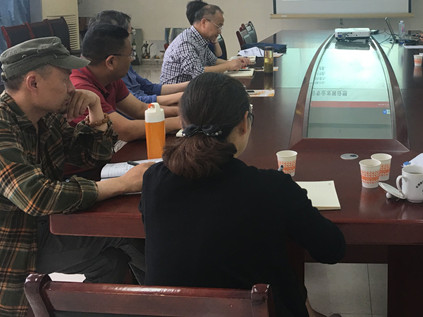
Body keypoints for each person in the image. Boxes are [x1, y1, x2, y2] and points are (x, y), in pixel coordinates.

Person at [140, 73, 346, 317]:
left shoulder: (153, 180)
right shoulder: (272, 188)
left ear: (183, 123)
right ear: (243, 123)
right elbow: (331, 249)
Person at [0, 38, 151, 316]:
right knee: (126, 236)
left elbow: (90, 157)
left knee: (111, 261)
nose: (72, 88)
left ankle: (148, 303)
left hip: (41, 228)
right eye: (64, 79)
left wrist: (96, 110)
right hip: (12, 247)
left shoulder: (44, 117)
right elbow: (38, 197)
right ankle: (170, 303)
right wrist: (123, 184)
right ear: (33, 82)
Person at [71, 24, 182, 141]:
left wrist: (182, 111)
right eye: (130, 55)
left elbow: (140, 109)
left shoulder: (110, 78)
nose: (132, 59)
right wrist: (179, 122)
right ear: (111, 62)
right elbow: (125, 130)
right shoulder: (81, 88)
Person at [89, 10, 189, 111]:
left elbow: (148, 89)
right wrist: (184, 99)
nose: (131, 38)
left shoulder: (121, 64)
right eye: (130, 33)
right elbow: (138, 105)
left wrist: (190, 87)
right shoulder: (110, 73)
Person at [160, 0, 249, 84]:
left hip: (193, 89)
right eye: (218, 26)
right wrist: (228, 65)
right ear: (204, 22)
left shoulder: (200, 39)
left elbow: (213, 61)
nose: (219, 32)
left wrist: (235, 62)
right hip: (176, 93)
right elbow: (199, 73)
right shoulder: (186, 42)